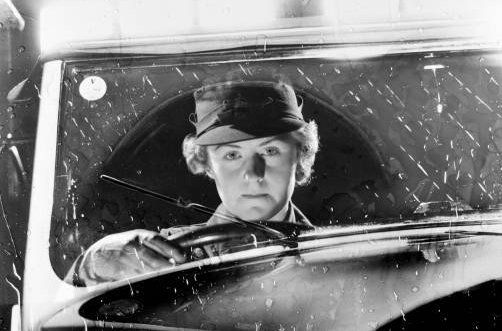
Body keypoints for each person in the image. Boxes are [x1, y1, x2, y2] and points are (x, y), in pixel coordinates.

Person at [70, 81, 319, 286]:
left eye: (271, 151)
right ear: (208, 165)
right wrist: (99, 259)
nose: (253, 173)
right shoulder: (156, 258)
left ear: (300, 157)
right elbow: (67, 302)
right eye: (232, 155)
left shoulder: (340, 252)